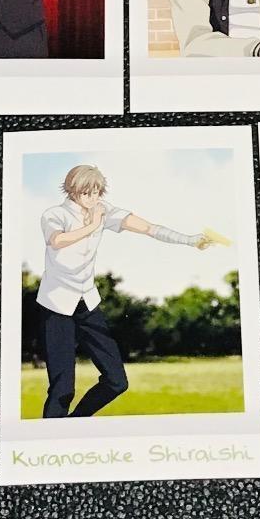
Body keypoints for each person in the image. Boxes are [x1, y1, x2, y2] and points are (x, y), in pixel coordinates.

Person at [37, 164, 211, 418]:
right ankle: (52, 434)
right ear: (72, 191)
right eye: (86, 192)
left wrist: (189, 240)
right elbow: (57, 241)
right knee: (62, 389)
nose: (93, 198)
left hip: (87, 302)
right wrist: (93, 225)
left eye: (97, 192)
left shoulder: (103, 210)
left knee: (117, 381)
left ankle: (75, 423)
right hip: (56, 305)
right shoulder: (54, 214)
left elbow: (149, 228)